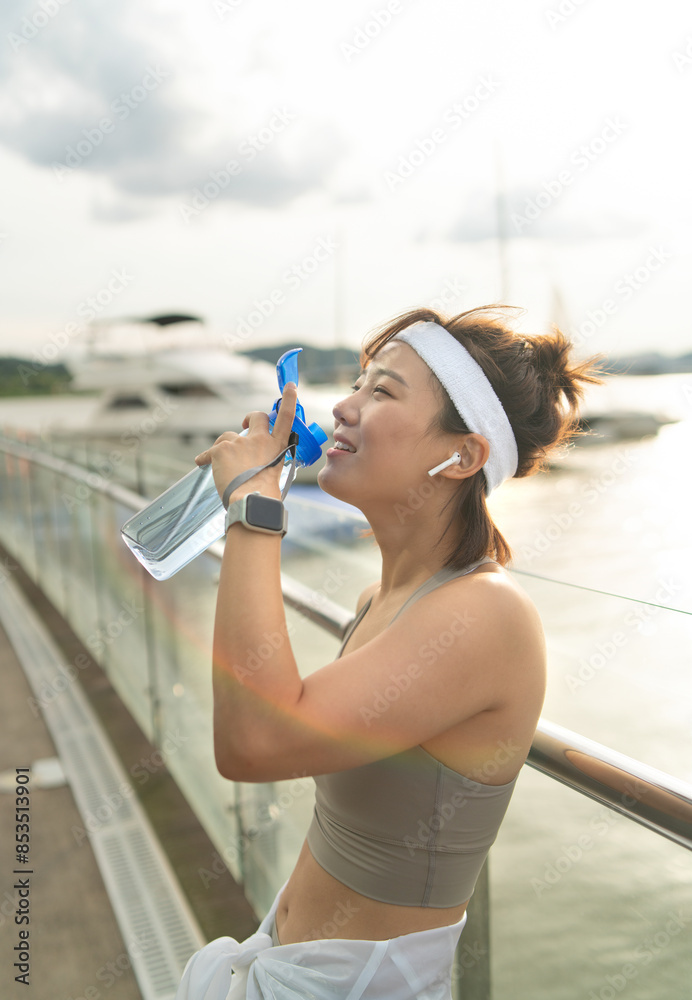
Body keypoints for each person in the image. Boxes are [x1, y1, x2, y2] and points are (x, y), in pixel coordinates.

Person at [175, 305, 600, 999]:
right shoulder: (385, 599)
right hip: (291, 962)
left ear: (461, 456)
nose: (343, 407)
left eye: (383, 391)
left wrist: (255, 507)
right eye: (358, 384)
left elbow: (252, 742)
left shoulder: (484, 615)